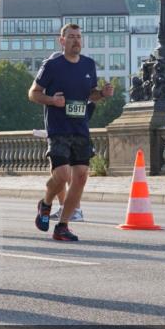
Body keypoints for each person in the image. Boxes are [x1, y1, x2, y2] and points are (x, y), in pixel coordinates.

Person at [29, 23, 113, 242]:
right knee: (62, 175)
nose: (76, 40)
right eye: (71, 37)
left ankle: (62, 226)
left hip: (80, 128)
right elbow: (33, 93)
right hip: (58, 129)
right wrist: (52, 100)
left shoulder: (88, 64)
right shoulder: (52, 65)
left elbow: (90, 95)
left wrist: (102, 94)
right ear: (62, 41)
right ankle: (46, 203)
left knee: (81, 177)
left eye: (78, 37)